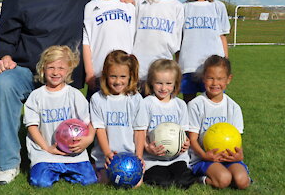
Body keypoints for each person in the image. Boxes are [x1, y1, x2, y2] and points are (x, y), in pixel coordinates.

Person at [0, 0, 95, 185]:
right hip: (29, 72)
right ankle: (8, 164)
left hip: (67, 78)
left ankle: (91, 154)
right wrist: (4, 55)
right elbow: (4, 35)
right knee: (4, 84)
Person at [23, 45, 97, 188]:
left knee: (89, 180)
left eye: (61, 68)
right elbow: (31, 126)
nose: (56, 72)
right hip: (45, 153)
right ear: (43, 68)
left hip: (74, 155)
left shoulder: (74, 94)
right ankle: (52, 170)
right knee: (40, 182)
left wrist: (88, 139)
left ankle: (68, 169)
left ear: (68, 70)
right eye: (51, 67)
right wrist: (47, 148)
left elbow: (90, 122)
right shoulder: (36, 96)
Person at [187, 55, 251, 189]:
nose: (215, 83)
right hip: (203, 158)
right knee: (224, 180)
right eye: (210, 78)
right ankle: (200, 178)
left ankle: (229, 172)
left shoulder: (233, 107)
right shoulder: (196, 105)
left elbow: (237, 138)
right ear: (203, 78)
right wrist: (205, 156)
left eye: (220, 79)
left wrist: (239, 155)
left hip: (228, 157)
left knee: (242, 181)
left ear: (229, 79)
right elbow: (192, 140)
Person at [89, 50, 146, 187]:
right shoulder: (98, 99)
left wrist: (138, 156)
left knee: (136, 184)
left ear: (130, 76)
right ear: (105, 75)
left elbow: (139, 130)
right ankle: (94, 166)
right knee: (106, 181)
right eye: (113, 76)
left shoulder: (136, 98)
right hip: (106, 156)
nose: (118, 81)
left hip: (129, 157)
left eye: (122, 76)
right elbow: (100, 129)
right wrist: (108, 153)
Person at [178, 0, 231, 104]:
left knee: (213, 103)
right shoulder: (182, 8)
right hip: (188, 66)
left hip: (213, 68)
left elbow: (222, 37)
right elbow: (179, 40)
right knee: (189, 105)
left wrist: (225, 63)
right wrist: (178, 63)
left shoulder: (218, 7)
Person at [82, 0, 136, 100]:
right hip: (100, 74)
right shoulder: (90, 7)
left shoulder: (128, 6)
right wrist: (89, 72)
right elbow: (86, 41)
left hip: (125, 74)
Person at [132, 0, 184, 95]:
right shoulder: (138, 2)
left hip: (162, 76)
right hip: (138, 74)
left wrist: (178, 74)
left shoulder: (177, 7)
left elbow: (178, 47)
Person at [140, 59, 195, 189]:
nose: (164, 88)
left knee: (183, 182)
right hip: (152, 160)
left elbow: (184, 132)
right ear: (151, 82)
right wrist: (147, 147)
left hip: (177, 158)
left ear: (175, 84)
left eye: (169, 83)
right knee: (163, 182)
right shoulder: (146, 104)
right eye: (159, 83)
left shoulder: (180, 105)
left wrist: (186, 143)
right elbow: (140, 131)